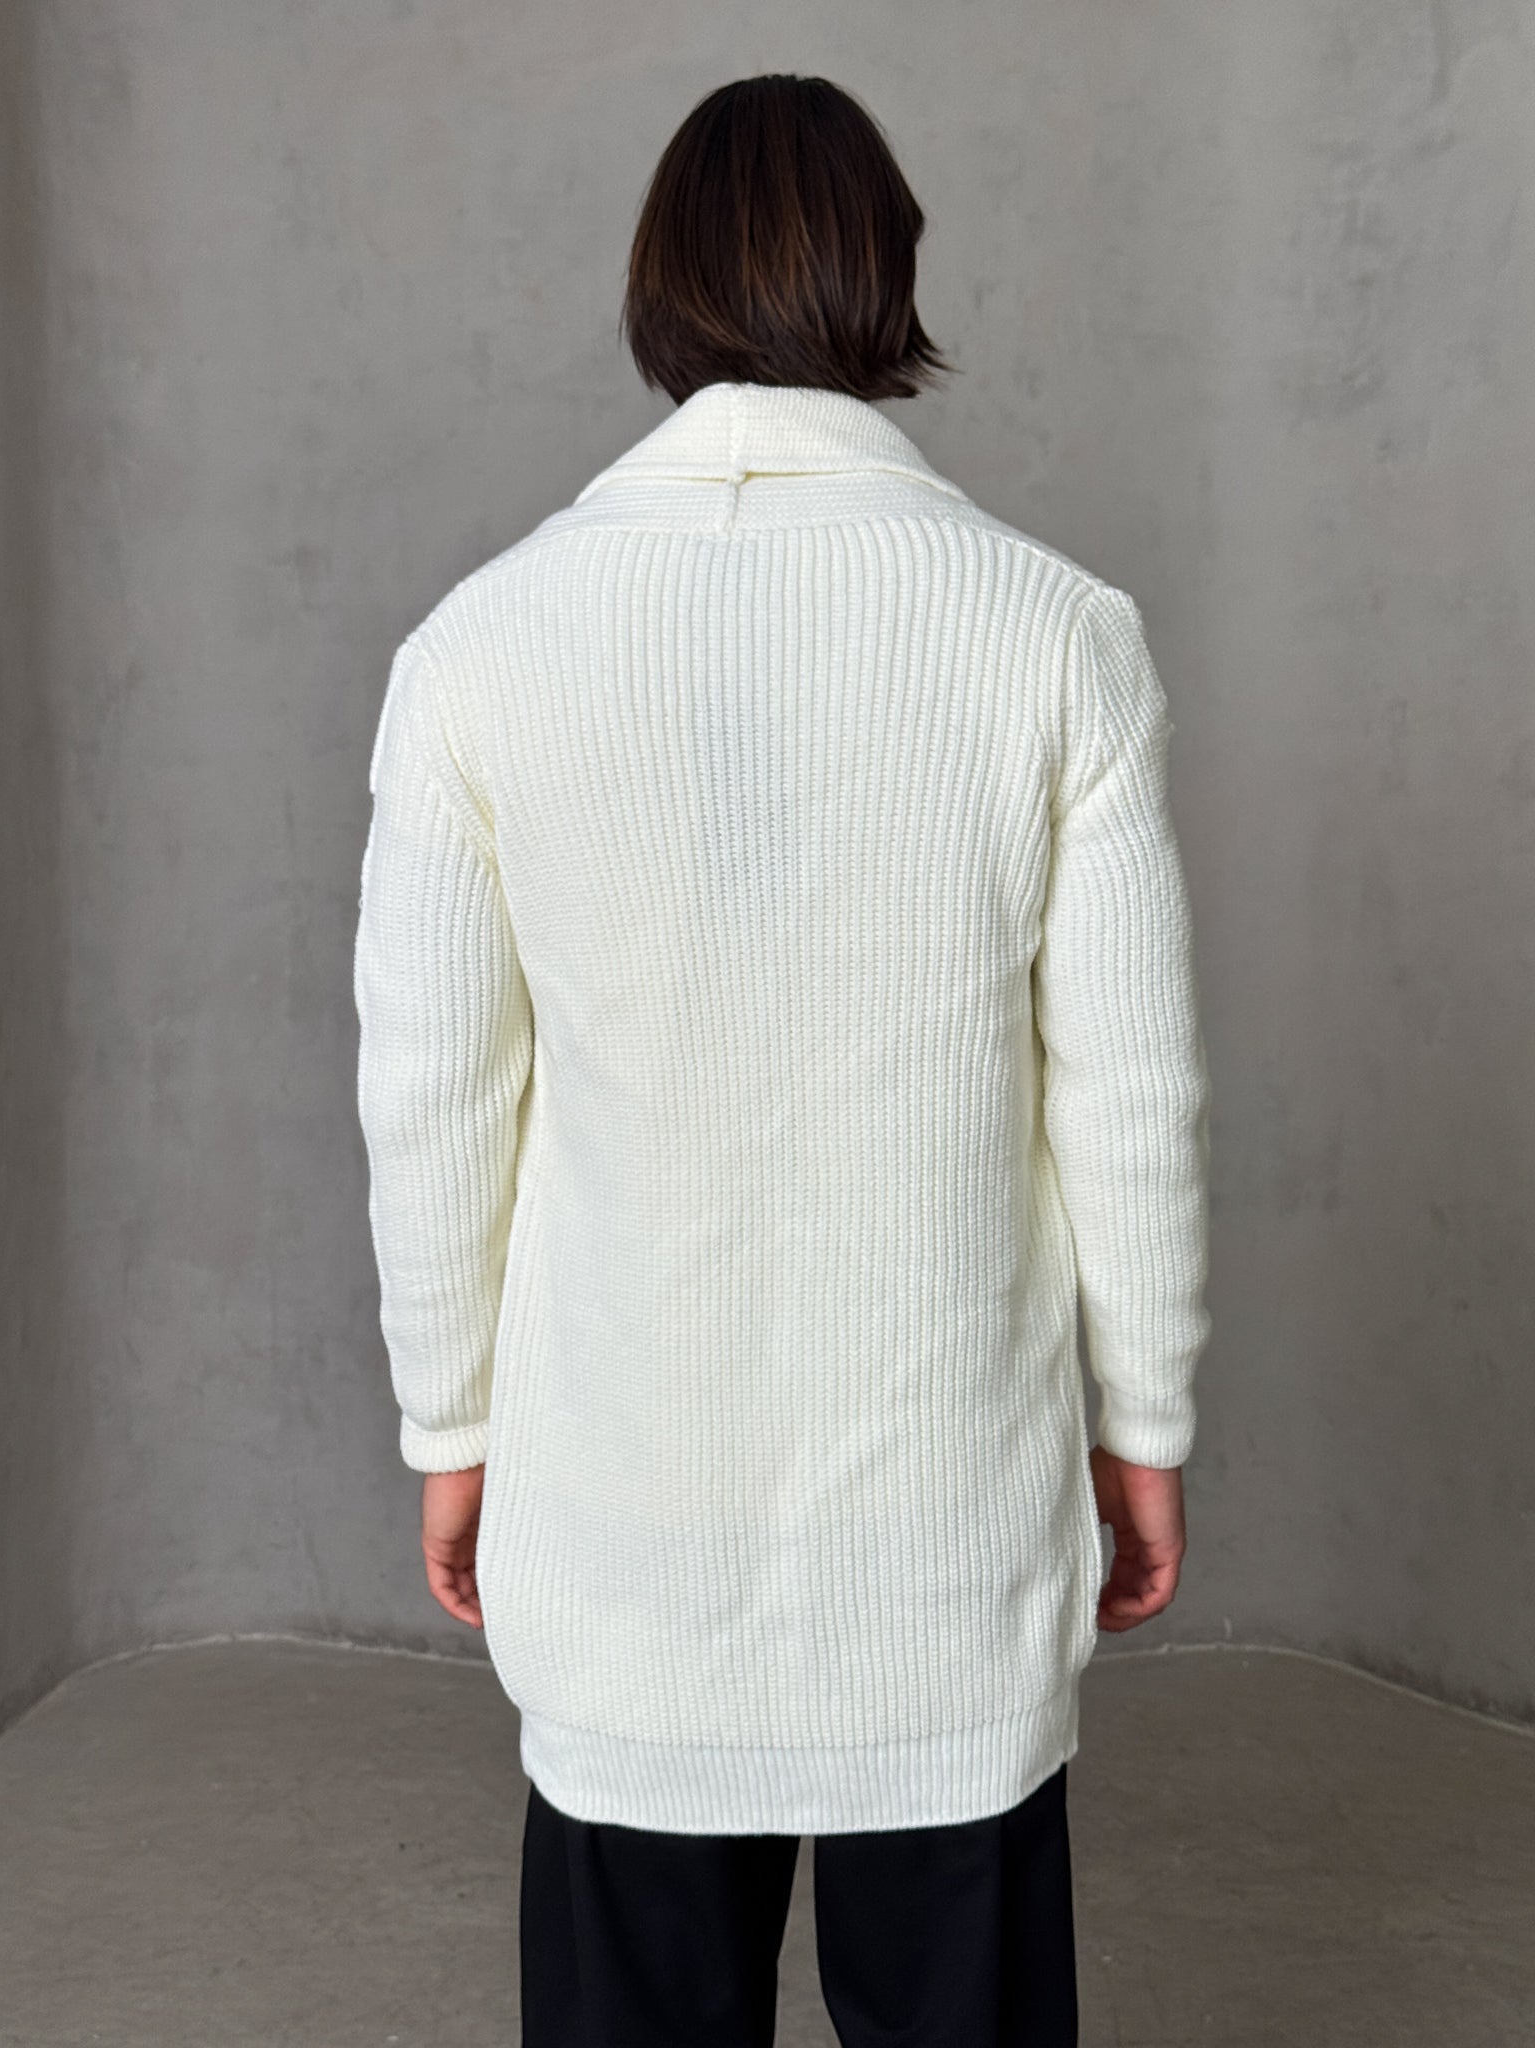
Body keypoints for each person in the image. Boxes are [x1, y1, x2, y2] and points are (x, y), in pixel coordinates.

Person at [353, 71, 1212, 2048]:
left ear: (658, 288)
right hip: (949, 1534)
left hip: (622, 1527)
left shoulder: (481, 647)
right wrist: (1142, 1423)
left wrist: (454, 1427)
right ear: (888, 277)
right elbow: (1128, 1093)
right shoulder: (1053, 635)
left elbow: (434, 1099)